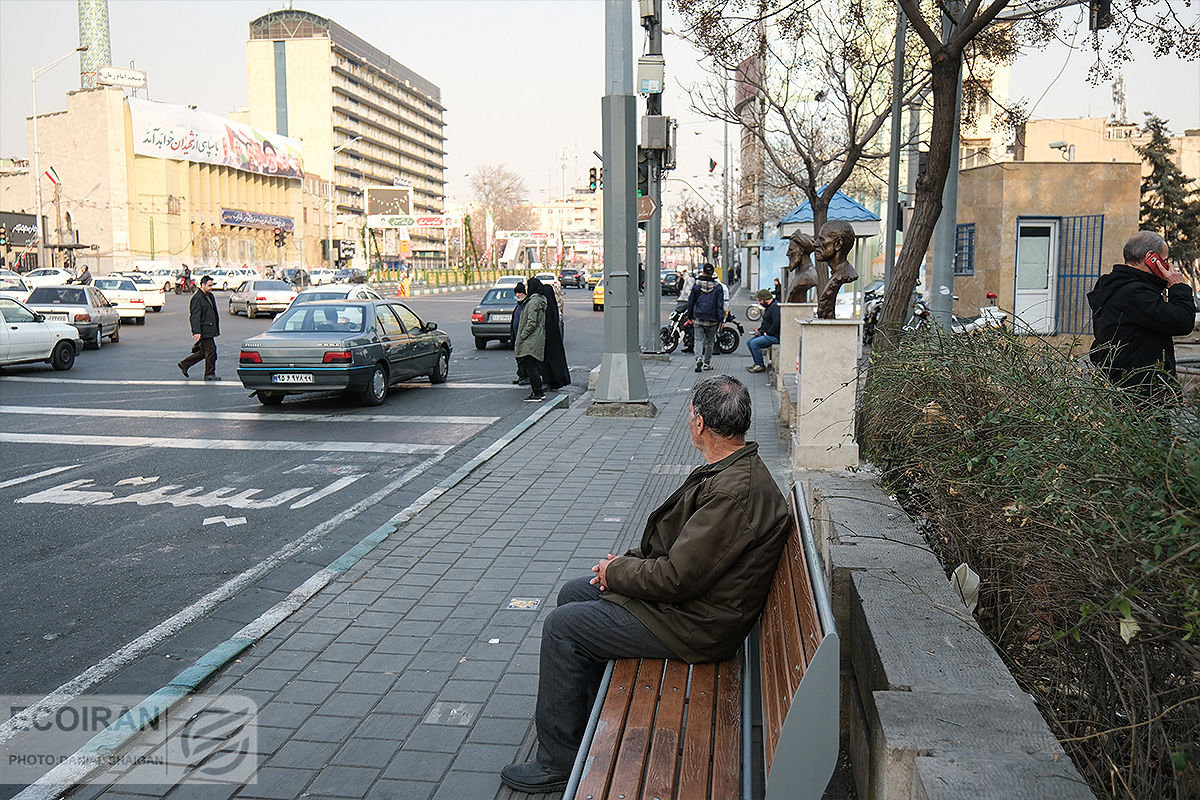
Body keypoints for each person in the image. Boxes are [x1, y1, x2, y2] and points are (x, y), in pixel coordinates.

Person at [499, 375, 790, 794]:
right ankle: (578, 725)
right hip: (699, 607)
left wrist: (617, 571)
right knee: (575, 593)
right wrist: (620, 566)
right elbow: (683, 556)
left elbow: (676, 578)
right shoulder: (734, 470)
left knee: (564, 628)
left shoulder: (733, 493)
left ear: (700, 423)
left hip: (696, 626)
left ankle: (559, 762)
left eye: (691, 412)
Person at [1088, 230, 1196, 398]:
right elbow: (1182, 321)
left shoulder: (1115, 286)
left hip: (1123, 388)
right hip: (1141, 394)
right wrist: (1177, 286)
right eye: (1165, 261)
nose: (1167, 267)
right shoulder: (1135, 293)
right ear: (1151, 259)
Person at [529, 276, 570, 390]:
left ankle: (550, 380)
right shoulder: (551, 307)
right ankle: (557, 379)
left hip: (545, 336)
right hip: (554, 336)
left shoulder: (540, 304)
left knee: (547, 360)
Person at [177, 275, 221, 381]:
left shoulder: (210, 296)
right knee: (211, 350)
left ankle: (184, 364)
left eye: (212, 285)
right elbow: (194, 316)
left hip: (210, 329)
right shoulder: (197, 298)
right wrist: (196, 332)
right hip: (204, 330)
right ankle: (209, 374)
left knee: (203, 352)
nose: (211, 288)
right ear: (203, 285)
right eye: (209, 285)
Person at [686, 263, 725, 372]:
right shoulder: (718, 287)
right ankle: (707, 364)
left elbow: (691, 302)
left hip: (698, 317)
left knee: (698, 340)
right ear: (712, 273)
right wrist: (721, 319)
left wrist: (690, 316)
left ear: (703, 272)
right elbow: (719, 305)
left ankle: (698, 358)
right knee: (709, 342)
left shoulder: (697, 285)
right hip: (712, 319)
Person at [514, 277, 548, 402]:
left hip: (531, 340)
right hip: (535, 338)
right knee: (533, 366)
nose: (526, 289)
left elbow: (531, 323)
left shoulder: (533, 302)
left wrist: (522, 335)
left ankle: (537, 393)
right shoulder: (538, 300)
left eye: (528, 287)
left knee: (531, 366)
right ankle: (538, 392)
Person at [746, 289, 781, 374]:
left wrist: (767, 333)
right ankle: (757, 363)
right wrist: (759, 331)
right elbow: (766, 323)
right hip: (768, 334)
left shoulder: (774, 307)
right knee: (749, 342)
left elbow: (776, 323)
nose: (760, 302)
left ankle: (760, 365)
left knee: (754, 343)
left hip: (774, 336)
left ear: (765, 299)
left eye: (760, 300)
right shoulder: (769, 307)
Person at [511, 283, 528, 386]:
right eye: (516, 293)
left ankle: (526, 377)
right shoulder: (518, 306)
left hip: (524, 338)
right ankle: (522, 376)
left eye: (520, 292)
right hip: (517, 337)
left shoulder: (526, 305)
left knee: (525, 359)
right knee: (519, 358)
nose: (518, 295)